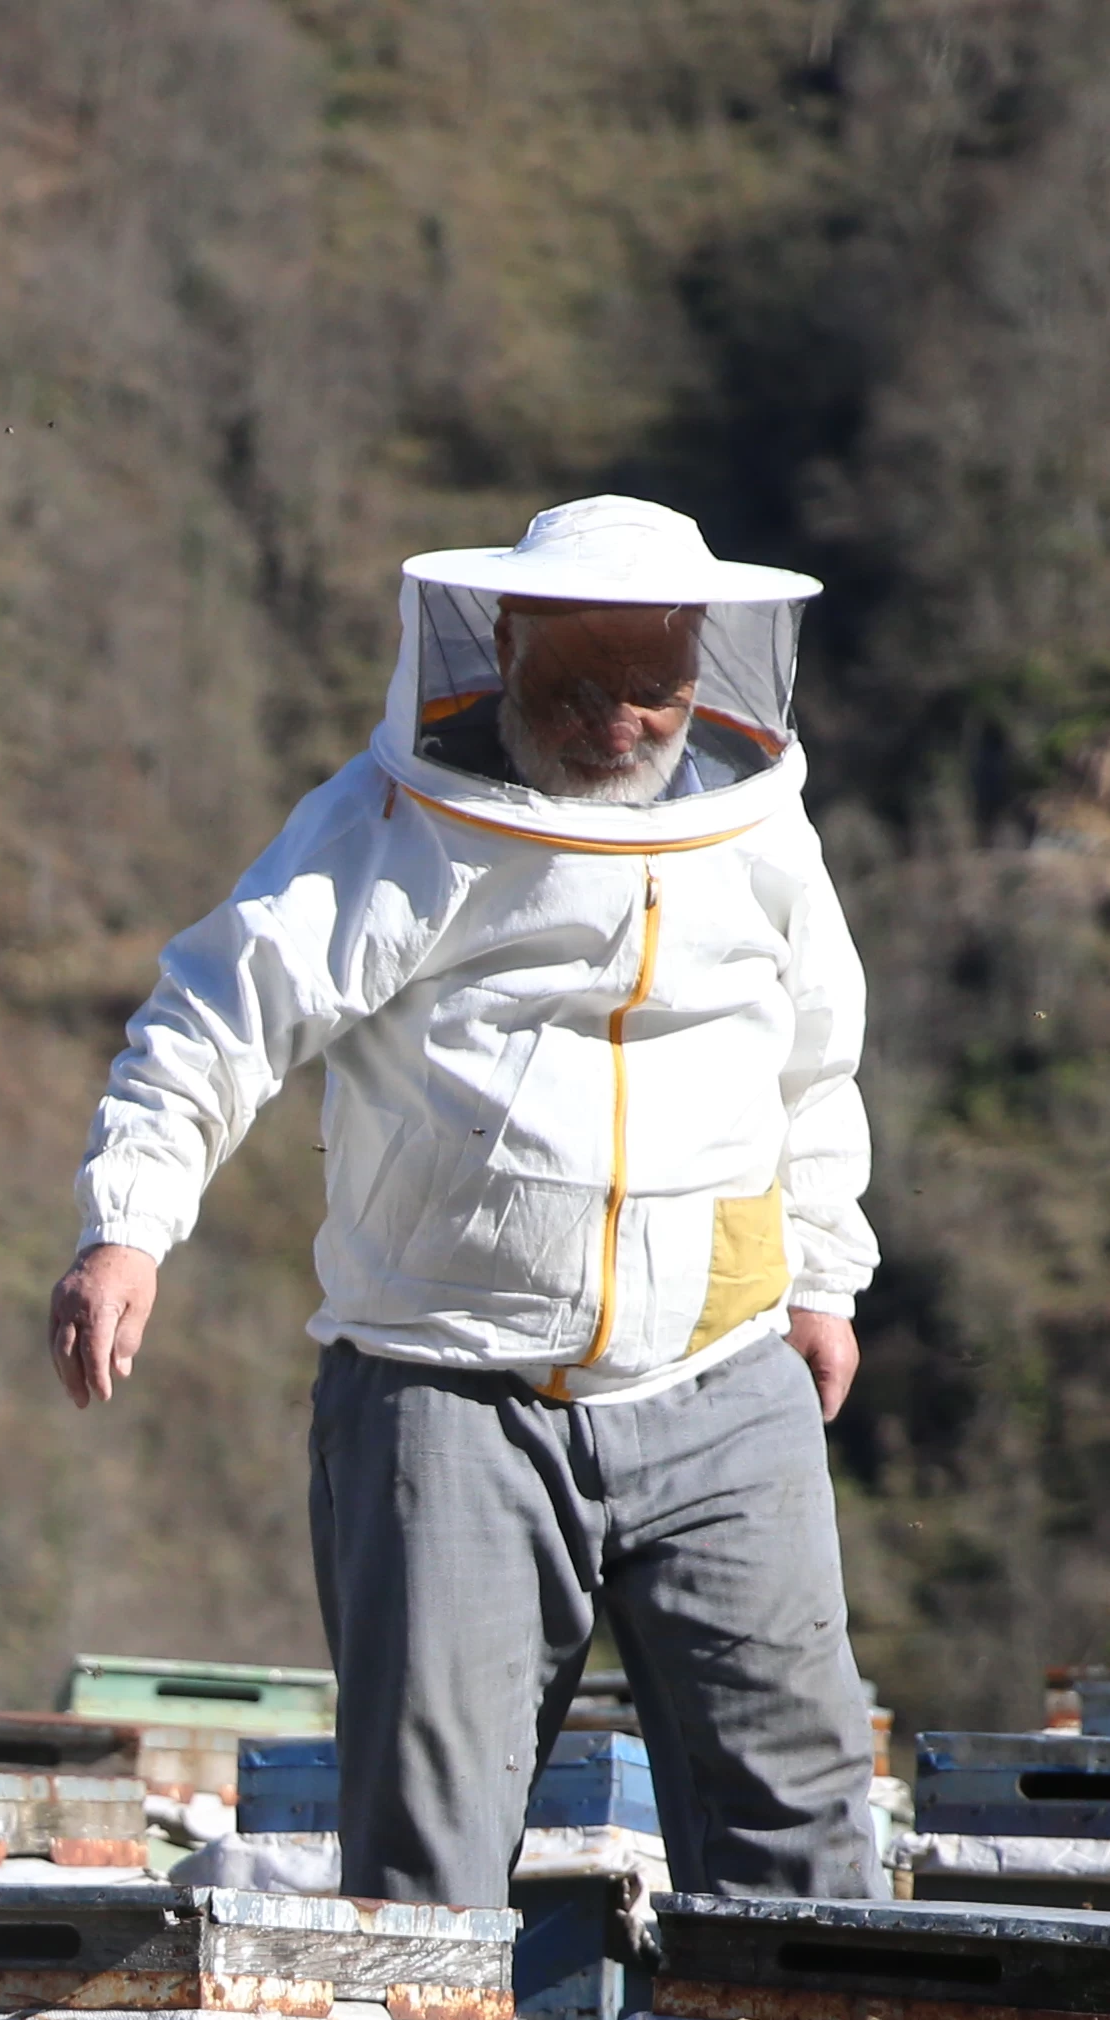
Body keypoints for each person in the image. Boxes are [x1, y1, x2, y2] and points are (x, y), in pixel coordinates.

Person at [46, 493, 879, 1908]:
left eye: (653, 688)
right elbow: (212, 1019)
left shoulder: (761, 835)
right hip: (452, 1391)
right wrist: (126, 1226)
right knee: (432, 1864)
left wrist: (820, 1279)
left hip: (726, 1382)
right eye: (578, 687)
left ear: (704, 669)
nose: (619, 721)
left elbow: (813, 1063)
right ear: (503, 645)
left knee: (799, 1823)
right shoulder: (392, 828)